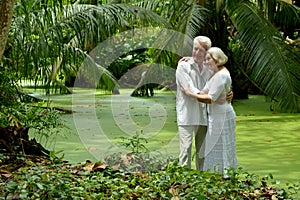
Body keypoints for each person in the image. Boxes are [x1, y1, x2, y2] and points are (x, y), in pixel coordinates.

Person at [181, 47, 238, 174]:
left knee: (223, 145)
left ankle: (225, 174)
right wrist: (190, 59)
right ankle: (217, 173)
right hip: (214, 115)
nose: (206, 62)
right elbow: (205, 90)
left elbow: (209, 99)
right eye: (205, 59)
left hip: (222, 115)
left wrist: (190, 94)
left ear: (217, 60)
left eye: (209, 59)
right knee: (214, 146)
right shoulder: (215, 72)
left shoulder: (221, 75)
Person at [175, 36, 213, 170]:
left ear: (207, 52)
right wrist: (212, 96)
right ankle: (185, 183)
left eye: (200, 50)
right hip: (187, 115)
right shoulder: (183, 66)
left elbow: (220, 83)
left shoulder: (210, 69)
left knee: (202, 153)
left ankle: (201, 181)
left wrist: (227, 92)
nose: (196, 53)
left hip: (204, 116)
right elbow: (189, 89)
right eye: (195, 49)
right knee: (185, 150)